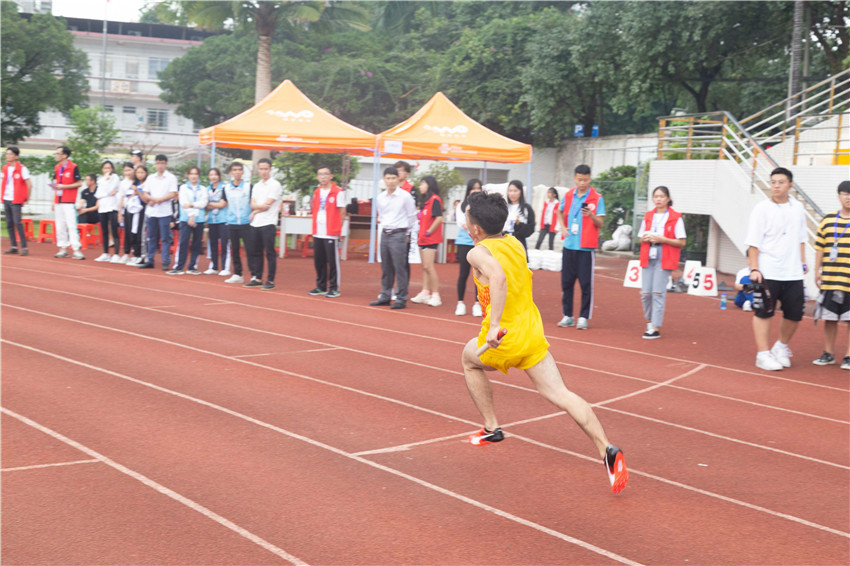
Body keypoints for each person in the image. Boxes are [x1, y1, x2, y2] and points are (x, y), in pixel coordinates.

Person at [460, 191, 628, 494]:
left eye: (467, 220)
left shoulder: (477, 253)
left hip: (504, 339)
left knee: (468, 359)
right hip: (532, 334)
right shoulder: (514, 243)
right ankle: (607, 449)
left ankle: (491, 427)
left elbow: (498, 277)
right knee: (560, 393)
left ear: (475, 228)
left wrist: (494, 325)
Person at [745, 167, 808, 371]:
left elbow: (801, 238)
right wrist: (754, 269)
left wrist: (803, 261)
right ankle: (762, 354)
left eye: (781, 182)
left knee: (795, 314)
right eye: (773, 182)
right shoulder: (761, 209)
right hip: (768, 270)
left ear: (790, 185)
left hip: (793, 272)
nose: (776, 186)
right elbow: (753, 243)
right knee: (764, 312)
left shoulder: (798, 208)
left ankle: (780, 347)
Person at [558, 164, 605, 330]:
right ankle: (568, 315)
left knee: (585, 284)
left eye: (585, 180)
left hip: (586, 248)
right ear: (574, 179)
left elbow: (600, 223)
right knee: (566, 282)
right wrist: (562, 227)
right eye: (579, 179)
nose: (582, 183)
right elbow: (559, 211)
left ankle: (583, 317)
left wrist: (591, 215)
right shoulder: (568, 195)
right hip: (569, 245)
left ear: (590, 179)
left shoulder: (597, 198)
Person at [637, 186, 686, 339]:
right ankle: (649, 321)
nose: (658, 199)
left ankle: (655, 327)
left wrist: (662, 239)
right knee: (645, 293)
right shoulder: (648, 216)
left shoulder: (675, 217)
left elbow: (681, 242)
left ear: (668, 199)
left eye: (662, 196)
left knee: (657, 292)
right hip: (648, 254)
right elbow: (640, 237)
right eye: (656, 196)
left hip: (664, 255)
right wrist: (645, 238)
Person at [812, 180, 850, 369]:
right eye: (845, 194)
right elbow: (820, 247)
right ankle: (828, 353)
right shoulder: (827, 220)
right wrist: (816, 271)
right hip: (830, 278)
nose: (848, 197)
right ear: (839, 196)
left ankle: (849, 356)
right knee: (829, 317)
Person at [370, 166, 417, 309]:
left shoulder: (405, 196)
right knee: (386, 267)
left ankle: (401, 298)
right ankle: (385, 295)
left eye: (393, 178)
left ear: (398, 179)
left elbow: (412, 217)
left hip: (399, 234)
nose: (390, 181)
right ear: (384, 180)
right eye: (388, 178)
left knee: (400, 267)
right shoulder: (380, 198)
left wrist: (407, 234)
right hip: (385, 233)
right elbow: (382, 215)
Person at [308, 166, 347, 298]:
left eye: (325, 174)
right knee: (319, 260)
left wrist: (339, 229)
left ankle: (334, 287)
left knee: (332, 261)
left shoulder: (338, 192)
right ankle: (321, 286)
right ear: (317, 177)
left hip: (331, 231)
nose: (323, 177)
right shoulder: (317, 192)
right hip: (318, 231)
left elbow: (342, 211)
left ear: (331, 176)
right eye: (320, 174)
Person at [245, 158, 282, 290]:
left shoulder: (275, 185)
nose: (263, 171)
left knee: (269, 252)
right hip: (256, 223)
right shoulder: (257, 186)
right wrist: (255, 209)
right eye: (261, 169)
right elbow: (252, 204)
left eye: (266, 168)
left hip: (268, 222)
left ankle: (270, 280)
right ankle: (257, 278)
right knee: (256, 252)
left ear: (270, 169)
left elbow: (267, 205)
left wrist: (255, 210)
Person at [137, 154, 177, 270]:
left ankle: (165, 261)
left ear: (166, 164)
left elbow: (173, 193)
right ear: (155, 164)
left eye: (162, 163)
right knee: (151, 237)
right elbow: (145, 193)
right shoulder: (151, 178)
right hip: (152, 211)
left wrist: (160, 199)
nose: (160, 165)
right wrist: (153, 199)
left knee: (165, 238)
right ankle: (150, 260)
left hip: (164, 212)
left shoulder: (171, 177)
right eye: (158, 163)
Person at [410, 175, 444, 307]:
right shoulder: (425, 202)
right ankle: (425, 292)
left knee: (429, 267)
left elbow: (439, 218)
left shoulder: (435, 200)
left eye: (422, 183)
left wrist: (429, 231)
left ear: (429, 185)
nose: (420, 186)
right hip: (422, 238)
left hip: (430, 239)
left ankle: (436, 295)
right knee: (424, 267)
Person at [169, 166, 208, 275]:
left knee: (196, 243)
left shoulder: (203, 189)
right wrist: (191, 215)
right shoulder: (183, 188)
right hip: (185, 219)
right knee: (183, 242)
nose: (193, 176)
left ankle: (192, 266)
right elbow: (183, 203)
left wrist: (191, 205)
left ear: (199, 176)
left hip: (199, 220)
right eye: (191, 174)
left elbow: (203, 203)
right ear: (188, 175)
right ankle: (179, 266)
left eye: (196, 174)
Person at [454, 178, 484, 317]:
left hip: (479, 243)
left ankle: (477, 303)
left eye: (478, 188)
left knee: (479, 274)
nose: (476, 191)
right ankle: (460, 303)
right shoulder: (461, 206)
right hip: (464, 242)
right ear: (468, 190)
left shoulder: (484, 206)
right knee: (463, 273)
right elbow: (463, 224)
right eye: (473, 188)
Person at [50, 146, 84, 260]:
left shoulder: (73, 167)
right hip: (58, 201)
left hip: (68, 201)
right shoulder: (57, 167)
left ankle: (76, 249)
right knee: (60, 226)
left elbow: (79, 183)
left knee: (71, 225)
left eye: (58, 153)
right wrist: (53, 201)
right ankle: (63, 248)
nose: (56, 155)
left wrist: (64, 186)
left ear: (64, 155)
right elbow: (56, 184)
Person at [223, 161, 251, 284]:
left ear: (243, 172)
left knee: (250, 250)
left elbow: (253, 202)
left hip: (246, 223)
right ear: (231, 172)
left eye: (239, 170)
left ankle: (254, 275)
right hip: (232, 223)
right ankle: (237, 274)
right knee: (234, 249)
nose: (237, 172)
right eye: (235, 170)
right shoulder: (226, 188)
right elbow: (224, 203)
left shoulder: (249, 187)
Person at [2, 146, 31, 256]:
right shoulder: (5, 168)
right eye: (7, 154)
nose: (7, 156)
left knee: (17, 223)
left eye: (10, 154)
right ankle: (13, 246)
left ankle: (24, 247)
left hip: (16, 200)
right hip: (6, 198)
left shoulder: (22, 169)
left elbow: (29, 185)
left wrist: (26, 198)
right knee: (9, 223)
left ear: (16, 156)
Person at [94, 160, 121, 263]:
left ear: (112, 169)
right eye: (105, 168)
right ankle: (105, 253)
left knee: (114, 230)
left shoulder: (115, 178)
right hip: (102, 207)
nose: (107, 170)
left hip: (112, 207)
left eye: (109, 168)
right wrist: (106, 192)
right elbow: (98, 194)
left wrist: (106, 192)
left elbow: (111, 190)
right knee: (104, 231)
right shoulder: (101, 180)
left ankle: (116, 254)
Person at [204, 167, 228, 275]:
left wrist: (210, 204)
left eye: (215, 174)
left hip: (223, 219)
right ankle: (214, 267)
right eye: (211, 175)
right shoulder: (207, 189)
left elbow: (222, 204)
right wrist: (215, 204)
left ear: (219, 176)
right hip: (211, 220)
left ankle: (225, 267)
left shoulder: (224, 188)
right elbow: (204, 205)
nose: (213, 177)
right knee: (213, 244)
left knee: (224, 244)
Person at [502, 179, 535, 256]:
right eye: (510, 191)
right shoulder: (504, 207)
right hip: (504, 242)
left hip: (518, 243)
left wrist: (518, 224)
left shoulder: (526, 208)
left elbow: (530, 229)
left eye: (515, 191)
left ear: (521, 192)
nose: (512, 193)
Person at [123, 166, 147, 265]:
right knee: (132, 232)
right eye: (138, 173)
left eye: (142, 172)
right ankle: (135, 254)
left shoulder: (147, 184)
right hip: (132, 211)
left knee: (140, 233)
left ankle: (141, 255)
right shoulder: (133, 184)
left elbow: (146, 198)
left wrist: (137, 192)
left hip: (142, 211)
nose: (140, 175)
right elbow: (128, 196)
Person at [114, 162, 136, 263]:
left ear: (133, 170)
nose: (128, 172)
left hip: (137, 209)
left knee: (135, 232)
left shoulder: (137, 181)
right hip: (127, 208)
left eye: (129, 170)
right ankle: (126, 253)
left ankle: (136, 252)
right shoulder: (123, 183)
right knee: (127, 231)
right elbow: (122, 197)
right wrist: (120, 212)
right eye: (125, 170)